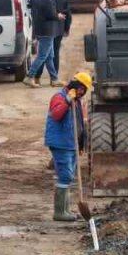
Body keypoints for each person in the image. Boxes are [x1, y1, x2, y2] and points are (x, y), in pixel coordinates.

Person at [43, 72, 92, 221]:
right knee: (65, 175)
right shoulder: (59, 97)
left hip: (71, 144)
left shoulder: (77, 101)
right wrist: (67, 100)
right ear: (76, 85)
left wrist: (82, 143)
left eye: (85, 90)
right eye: (81, 89)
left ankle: (66, 210)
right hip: (60, 143)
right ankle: (60, 212)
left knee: (67, 177)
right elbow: (57, 115)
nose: (82, 93)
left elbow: (79, 124)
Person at [26, 0, 67, 88]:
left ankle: (54, 79)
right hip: (48, 31)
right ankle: (29, 76)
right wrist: (58, 15)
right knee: (42, 56)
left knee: (50, 56)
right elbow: (51, 14)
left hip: (38, 29)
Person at [49, 0, 72, 86]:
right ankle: (54, 77)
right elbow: (68, 16)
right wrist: (66, 29)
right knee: (55, 52)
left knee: (45, 53)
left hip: (46, 30)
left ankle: (38, 76)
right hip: (59, 29)